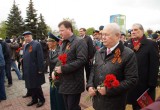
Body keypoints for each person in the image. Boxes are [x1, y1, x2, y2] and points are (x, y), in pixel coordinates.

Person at [86, 23, 138, 110]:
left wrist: (108, 90)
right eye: (102, 34)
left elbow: (132, 80)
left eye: (107, 35)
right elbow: (93, 70)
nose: (103, 37)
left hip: (115, 103)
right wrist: (90, 85)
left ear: (117, 36)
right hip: (98, 101)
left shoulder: (128, 54)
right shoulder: (99, 52)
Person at [53, 20, 88, 110]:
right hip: (64, 82)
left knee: (72, 107)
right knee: (68, 107)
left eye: (62, 30)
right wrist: (54, 72)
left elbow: (82, 60)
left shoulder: (79, 41)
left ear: (69, 29)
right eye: (59, 31)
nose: (60, 33)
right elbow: (59, 59)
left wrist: (63, 69)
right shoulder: (64, 43)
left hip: (74, 82)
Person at [124, 23, 159, 110]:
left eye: (136, 30)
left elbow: (154, 65)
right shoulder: (126, 44)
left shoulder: (151, 44)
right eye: (132, 30)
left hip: (144, 85)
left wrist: (152, 84)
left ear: (142, 31)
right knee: (131, 103)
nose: (133, 32)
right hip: (130, 83)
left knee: (143, 107)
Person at [22, 31, 45, 108]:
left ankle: (41, 100)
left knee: (37, 86)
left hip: (35, 69)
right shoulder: (25, 45)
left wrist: (41, 69)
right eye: (25, 37)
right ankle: (34, 99)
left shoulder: (36, 44)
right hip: (28, 69)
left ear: (31, 36)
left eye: (28, 36)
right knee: (31, 86)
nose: (26, 38)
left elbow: (40, 57)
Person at [47, 32, 66, 110]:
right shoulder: (50, 51)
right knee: (53, 97)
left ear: (54, 42)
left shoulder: (60, 52)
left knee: (59, 99)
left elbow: (61, 65)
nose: (47, 42)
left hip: (59, 80)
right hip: (52, 79)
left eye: (49, 41)